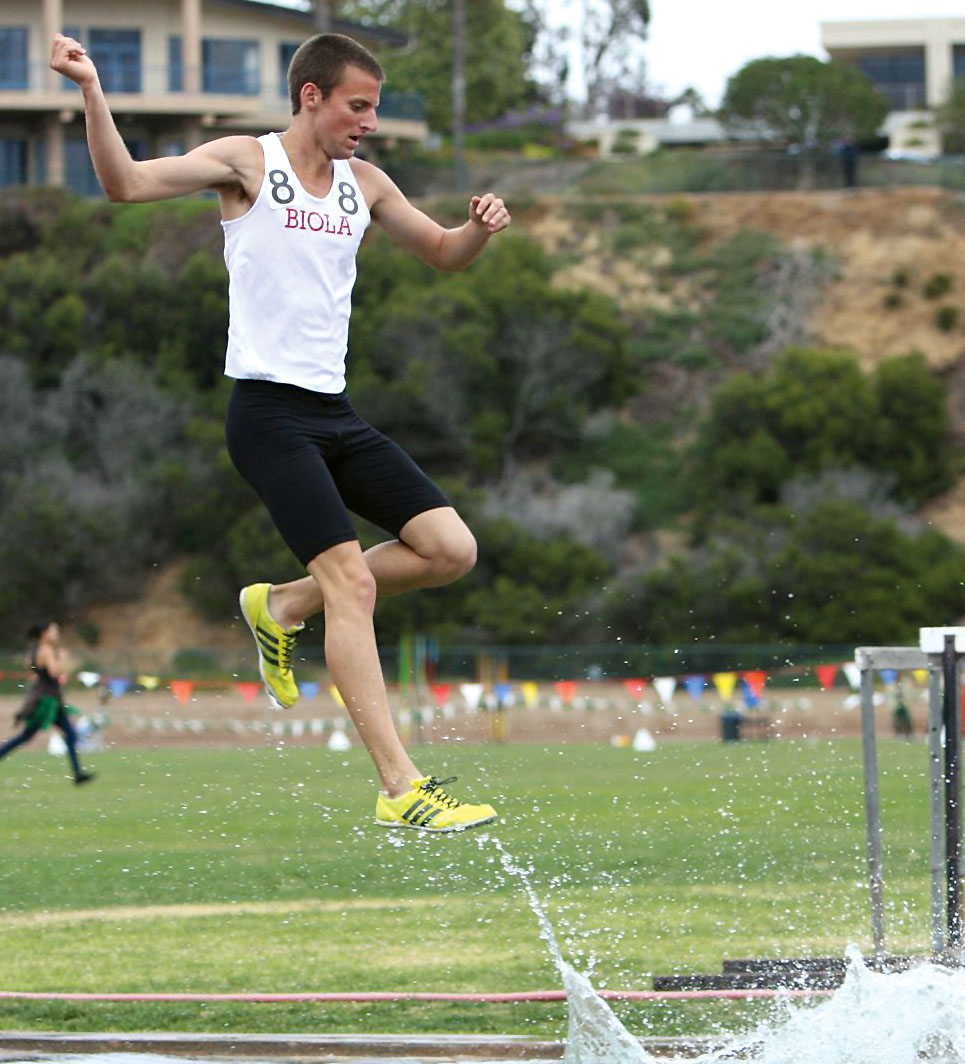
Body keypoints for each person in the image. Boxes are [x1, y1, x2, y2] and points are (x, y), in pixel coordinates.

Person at [49, 30, 510, 832]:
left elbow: (440, 251)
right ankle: (400, 788)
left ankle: (281, 606)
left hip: (335, 412)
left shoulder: (364, 184)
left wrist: (479, 228)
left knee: (450, 550)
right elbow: (123, 184)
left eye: (371, 106)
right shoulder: (246, 163)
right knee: (355, 586)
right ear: (312, 96)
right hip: (267, 414)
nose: (368, 120)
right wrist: (92, 87)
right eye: (356, 105)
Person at [0, 621, 94, 784]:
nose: (56, 635)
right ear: (44, 634)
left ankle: (78, 773)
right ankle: (78, 773)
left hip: (46, 697)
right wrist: (62, 659)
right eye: (53, 632)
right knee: (27, 736)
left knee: (68, 734)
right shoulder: (47, 649)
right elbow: (53, 671)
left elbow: (29, 665)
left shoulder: (36, 649)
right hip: (47, 701)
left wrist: (41, 672)